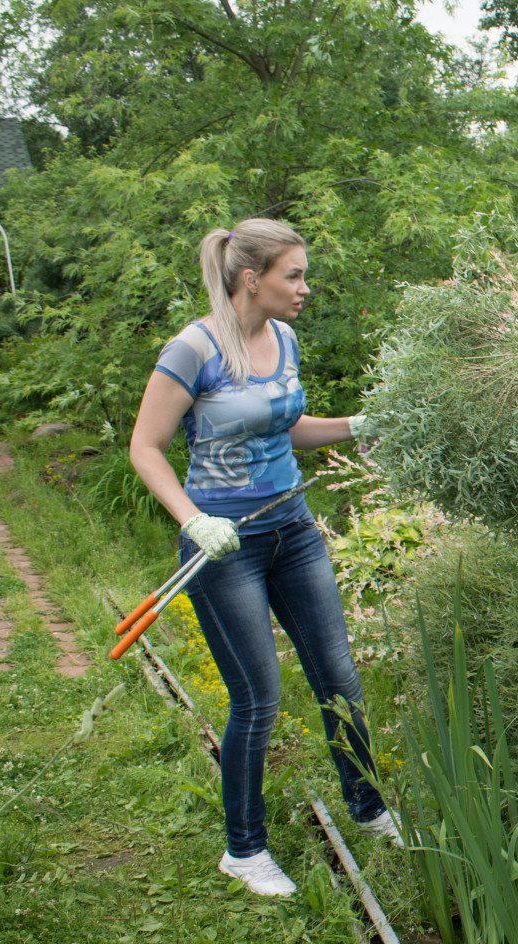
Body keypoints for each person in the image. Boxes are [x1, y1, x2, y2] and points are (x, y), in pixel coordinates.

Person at [129, 218, 401, 897]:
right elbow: (145, 447)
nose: (305, 288)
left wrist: (358, 425)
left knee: (338, 677)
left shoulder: (284, 338)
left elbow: (289, 427)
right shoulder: (193, 349)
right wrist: (194, 521)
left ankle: (368, 809)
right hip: (224, 545)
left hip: (293, 530)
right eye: (294, 275)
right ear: (252, 279)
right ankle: (244, 850)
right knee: (258, 698)